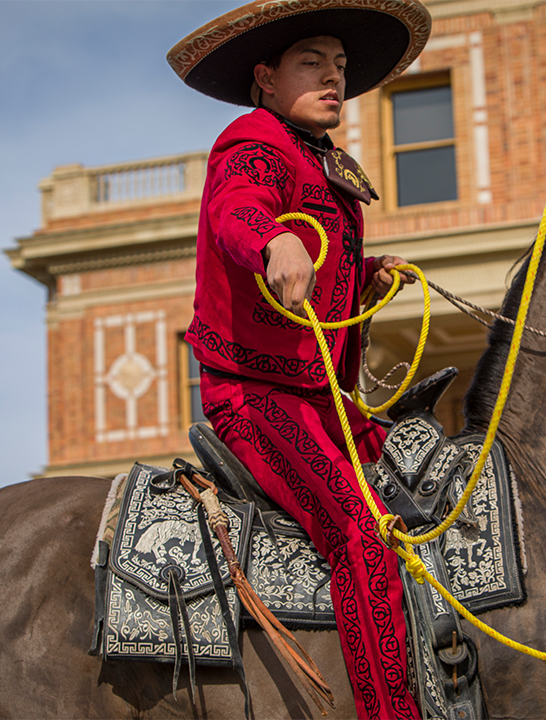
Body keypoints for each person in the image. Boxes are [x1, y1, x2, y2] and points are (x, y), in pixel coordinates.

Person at [166, 2, 432, 719]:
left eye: (340, 67)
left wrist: (370, 268)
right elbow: (240, 206)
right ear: (265, 77)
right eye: (312, 62)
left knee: (435, 483)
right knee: (365, 537)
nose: (334, 78)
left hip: (324, 401)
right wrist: (271, 242)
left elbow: (316, 249)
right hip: (255, 397)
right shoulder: (252, 139)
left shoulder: (322, 159)